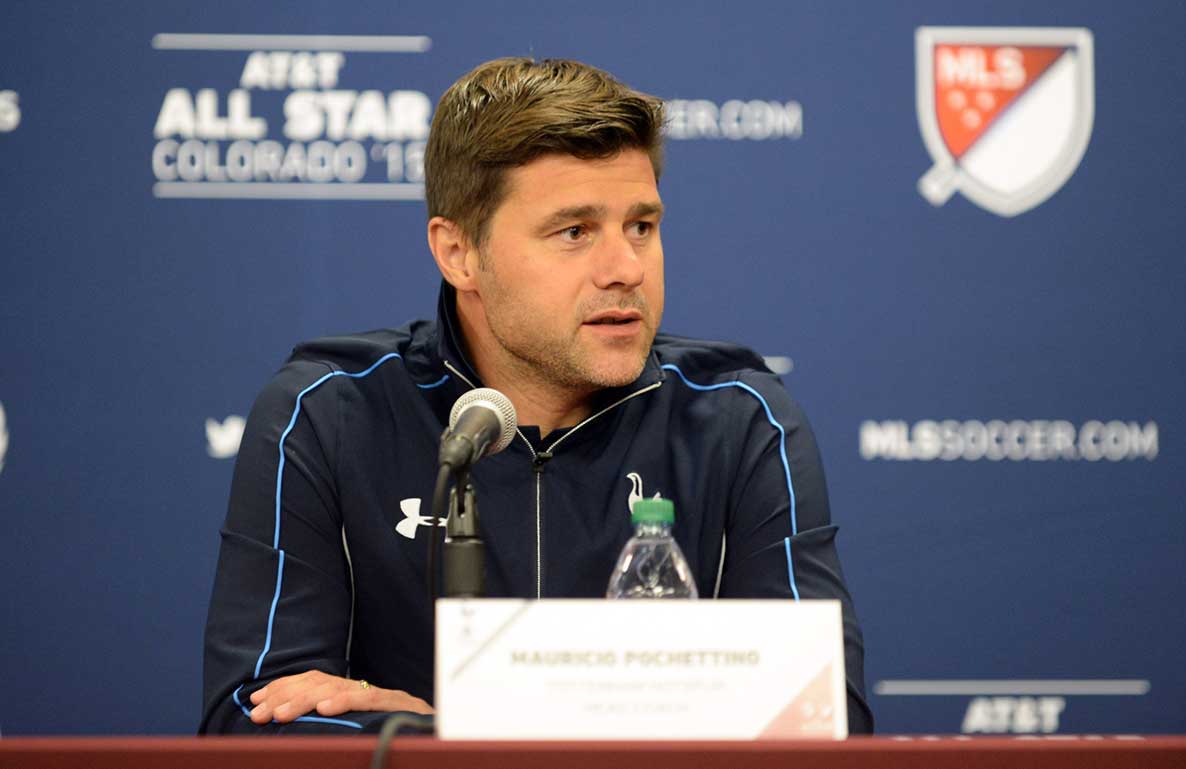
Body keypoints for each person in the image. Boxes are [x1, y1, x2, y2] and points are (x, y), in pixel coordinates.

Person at [200, 57, 873, 734]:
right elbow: (250, 718)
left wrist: (446, 730)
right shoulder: (327, 414)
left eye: (641, 225)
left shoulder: (736, 418)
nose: (626, 269)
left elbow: (824, 721)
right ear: (459, 252)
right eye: (574, 232)